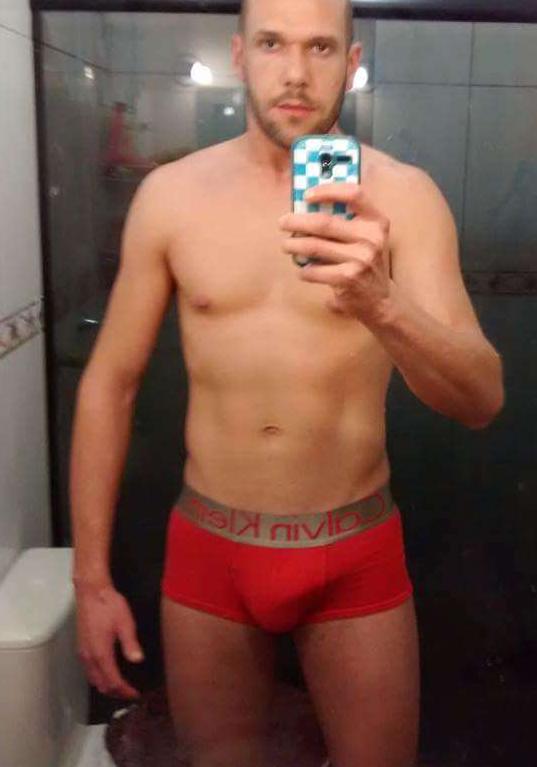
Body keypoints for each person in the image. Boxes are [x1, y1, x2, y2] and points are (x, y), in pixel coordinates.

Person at [70, 0, 505, 765]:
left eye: (320, 48)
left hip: (352, 550)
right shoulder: (171, 195)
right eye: (272, 44)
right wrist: (92, 580)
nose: (296, 72)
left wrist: (380, 302)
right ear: (240, 55)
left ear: (352, 63)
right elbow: (110, 383)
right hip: (210, 549)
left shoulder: (404, 197)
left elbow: (480, 398)